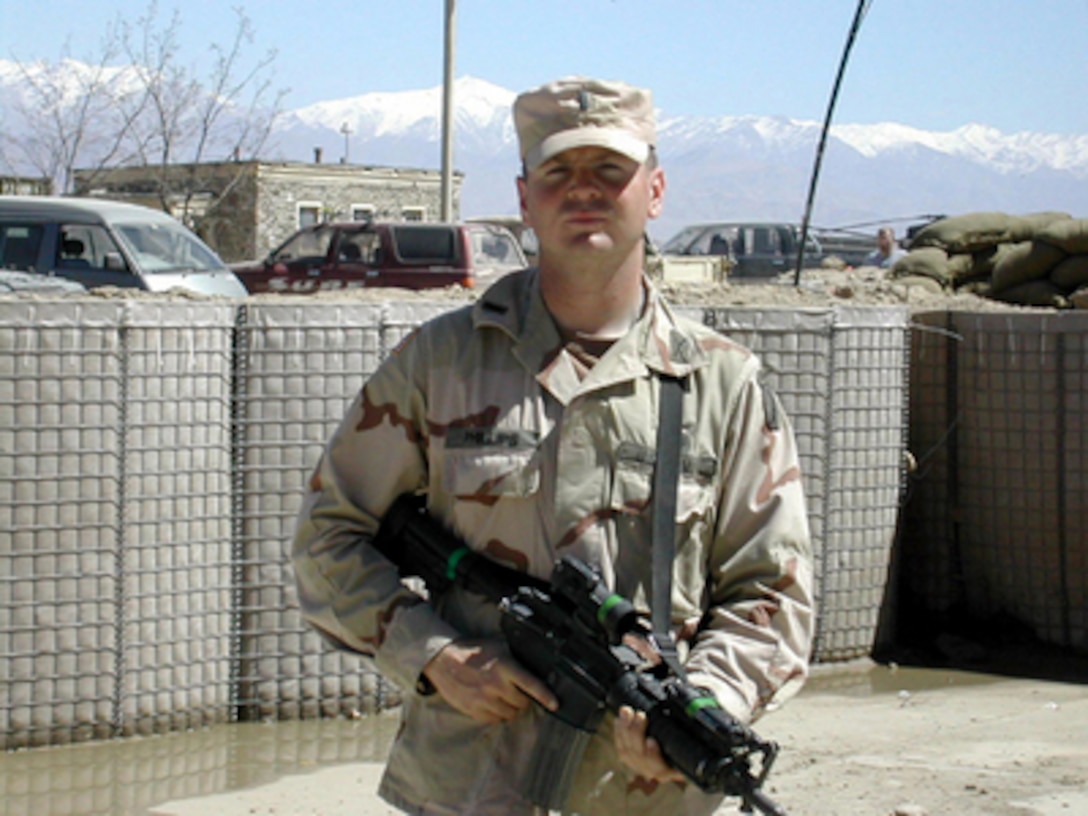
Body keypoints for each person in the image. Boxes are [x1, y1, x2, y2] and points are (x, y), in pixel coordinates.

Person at [292, 76, 815, 816]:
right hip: (467, 788)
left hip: (646, 801)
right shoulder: (439, 364)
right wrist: (434, 655)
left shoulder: (722, 385)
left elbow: (774, 591)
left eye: (611, 171)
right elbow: (327, 537)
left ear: (655, 191)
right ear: (525, 197)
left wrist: (702, 703)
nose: (585, 192)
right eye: (558, 172)